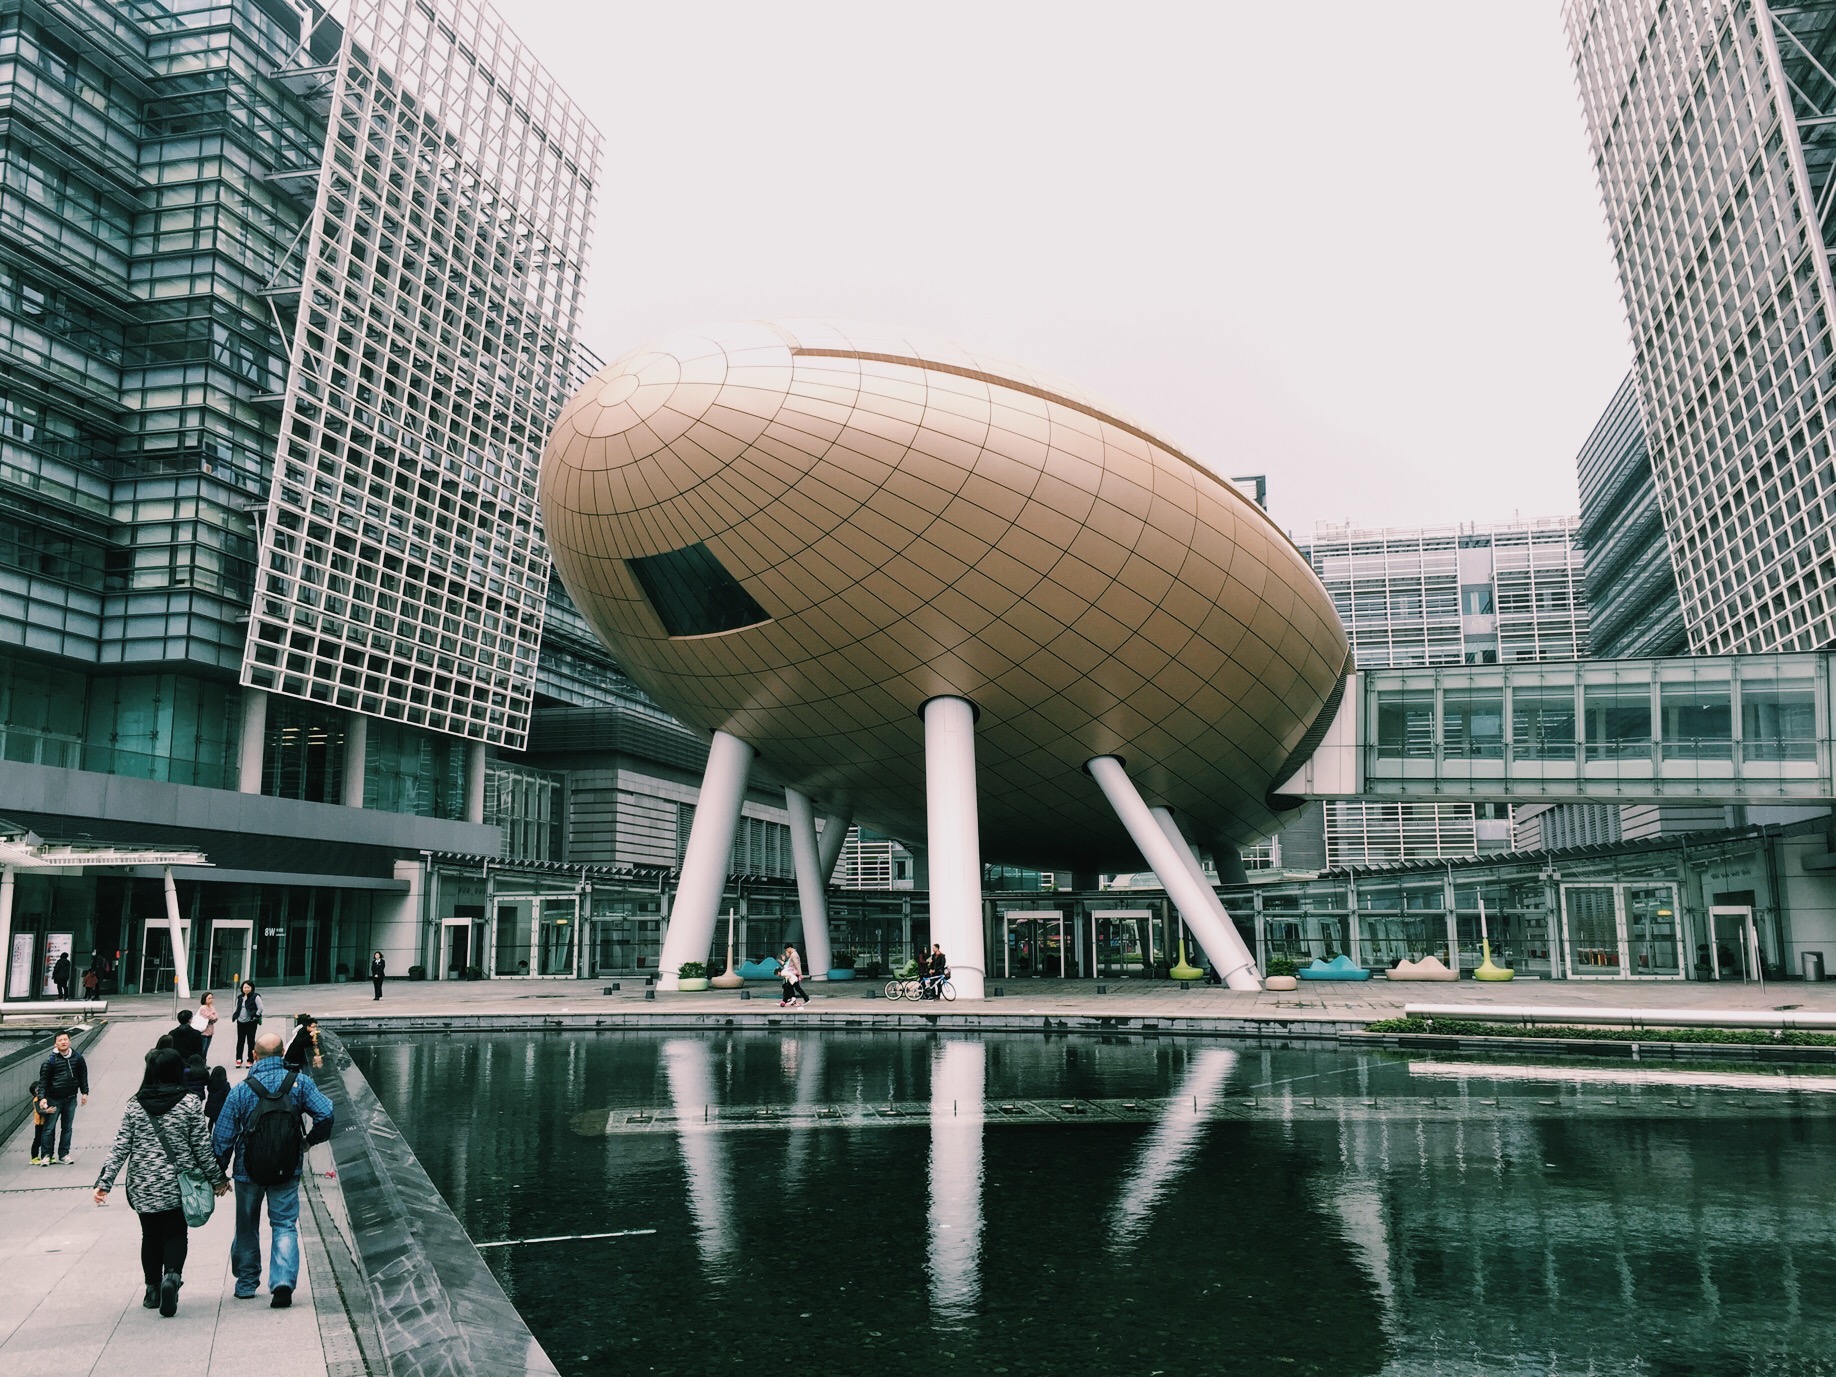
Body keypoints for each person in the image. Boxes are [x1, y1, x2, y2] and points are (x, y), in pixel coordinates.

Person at [92, 1048, 231, 1317]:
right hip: (179, 1183)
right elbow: (202, 1147)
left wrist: (104, 1182)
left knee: (150, 1235)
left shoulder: (135, 1104)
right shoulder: (190, 1103)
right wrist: (217, 1179)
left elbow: (120, 1147)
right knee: (176, 1232)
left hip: (143, 1183)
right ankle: (172, 1277)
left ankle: (152, 1289)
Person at [212, 1029, 334, 1307]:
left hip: (247, 1170)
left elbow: (223, 1136)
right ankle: (282, 1283)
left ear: (254, 1056)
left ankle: (245, 1284)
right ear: (281, 1054)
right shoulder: (299, 1083)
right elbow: (326, 1113)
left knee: (246, 1227)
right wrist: (308, 1142)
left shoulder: (241, 1090)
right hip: (286, 1167)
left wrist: (218, 1175)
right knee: (284, 1224)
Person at [39, 1030, 88, 1164]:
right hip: (53, 1099)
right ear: (55, 1044)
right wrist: (42, 1097)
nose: (63, 1042)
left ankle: (64, 1154)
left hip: (71, 1098)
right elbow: (43, 1081)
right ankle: (46, 1155)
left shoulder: (77, 1057)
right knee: (49, 1128)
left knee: (67, 1128)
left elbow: (83, 1075)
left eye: (65, 1039)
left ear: (69, 1041)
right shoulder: (49, 1061)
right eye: (60, 1040)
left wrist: (85, 1092)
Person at [231, 981, 262, 1068]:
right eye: (245, 987)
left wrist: (255, 1016)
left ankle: (250, 1059)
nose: (246, 989)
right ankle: (238, 1059)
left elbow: (260, 1008)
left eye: (248, 987)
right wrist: (235, 1016)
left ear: (252, 988)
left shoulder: (256, 997)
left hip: (251, 1022)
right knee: (240, 1041)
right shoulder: (240, 997)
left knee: (250, 1041)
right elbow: (236, 1007)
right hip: (240, 1021)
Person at [27, 1079, 55, 1166]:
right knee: (38, 1140)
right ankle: (34, 1157)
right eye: (37, 1090)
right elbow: (39, 1111)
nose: (39, 1091)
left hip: (46, 1122)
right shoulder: (36, 1100)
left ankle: (49, 1155)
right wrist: (47, 1111)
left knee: (50, 1139)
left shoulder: (46, 1098)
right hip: (39, 1124)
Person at [196, 992, 219, 1060]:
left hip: (210, 1030)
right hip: (203, 1031)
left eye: (212, 998)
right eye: (209, 998)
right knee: (203, 1049)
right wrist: (212, 1015)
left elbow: (216, 1017)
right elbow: (211, 1017)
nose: (211, 999)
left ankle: (204, 1062)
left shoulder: (212, 1007)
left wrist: (213, 1016)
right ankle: (201, 1062)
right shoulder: (203, 1008)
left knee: (206, 1049)